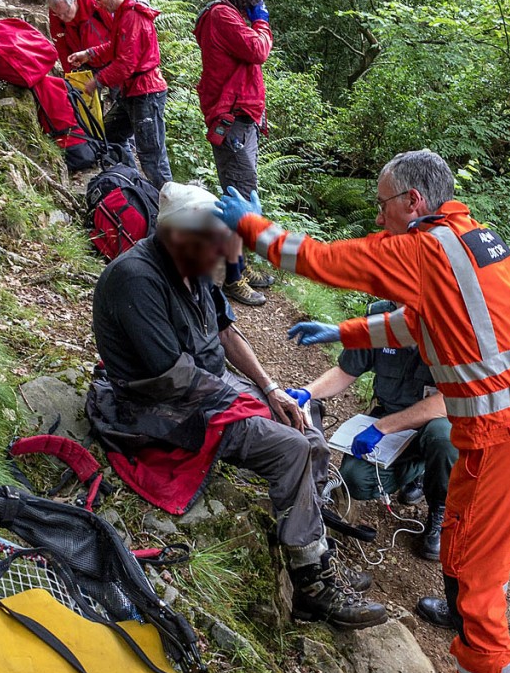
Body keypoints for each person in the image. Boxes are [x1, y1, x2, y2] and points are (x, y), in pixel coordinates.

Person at [213, 149, 510, 673]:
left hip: (508, 436)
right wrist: (343, 333)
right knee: (462, 540)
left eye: (382, 205)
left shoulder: (429, 247)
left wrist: (255, 228)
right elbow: (419, 322)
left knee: (479, 569)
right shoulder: (468, 241)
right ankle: (462, 622)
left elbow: (329, 260)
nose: (379, 218)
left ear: (412, 203)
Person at [87, 181, 386, 632]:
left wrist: (269, 389)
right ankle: (312, 581)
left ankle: (314, 545)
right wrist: (245, 401)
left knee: (306, 419)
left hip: (208, 388)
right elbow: (173, 377)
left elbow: (226, 332)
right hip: (161, 407)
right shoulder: (136, 278)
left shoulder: (194, 262)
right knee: (289, 446)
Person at [288, 299, 457, 560]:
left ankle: (440, 512)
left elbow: (447, 400)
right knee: (355, 480)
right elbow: (347, 371)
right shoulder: (379, 313)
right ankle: (417, 470)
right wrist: (307, 392)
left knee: (444, 438)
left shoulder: (449, 322)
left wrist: (382, 428)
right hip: (389, 419)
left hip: (432, 421)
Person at [195, 0, 275, 307]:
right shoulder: (222, 17)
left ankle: (241, 265)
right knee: (239, 201)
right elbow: (258, 51)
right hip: (232, 121)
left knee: (245, 195)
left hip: (243, 119)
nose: (260, 0)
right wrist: (262, 20)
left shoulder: (230, 16)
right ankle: (233, 278)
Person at [68, 0, 172, 189]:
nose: (97, 4)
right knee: (110, 134)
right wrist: (89, 54)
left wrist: (97, 81)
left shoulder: (132, 16)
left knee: (152, 156)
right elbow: (115, 48)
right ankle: (133, 184)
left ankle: (167, 207)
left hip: (146, 93)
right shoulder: (122, 15)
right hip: (131, 92)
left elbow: (126, 63)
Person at [48, 0, 113, 74]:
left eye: (66, 12)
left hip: (110, 57)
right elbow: (61, 46)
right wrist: (70, 73)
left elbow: (117, 29)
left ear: (74, 1)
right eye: (59, 14)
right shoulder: (56, 10)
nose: (63, 17)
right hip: (83, 62)